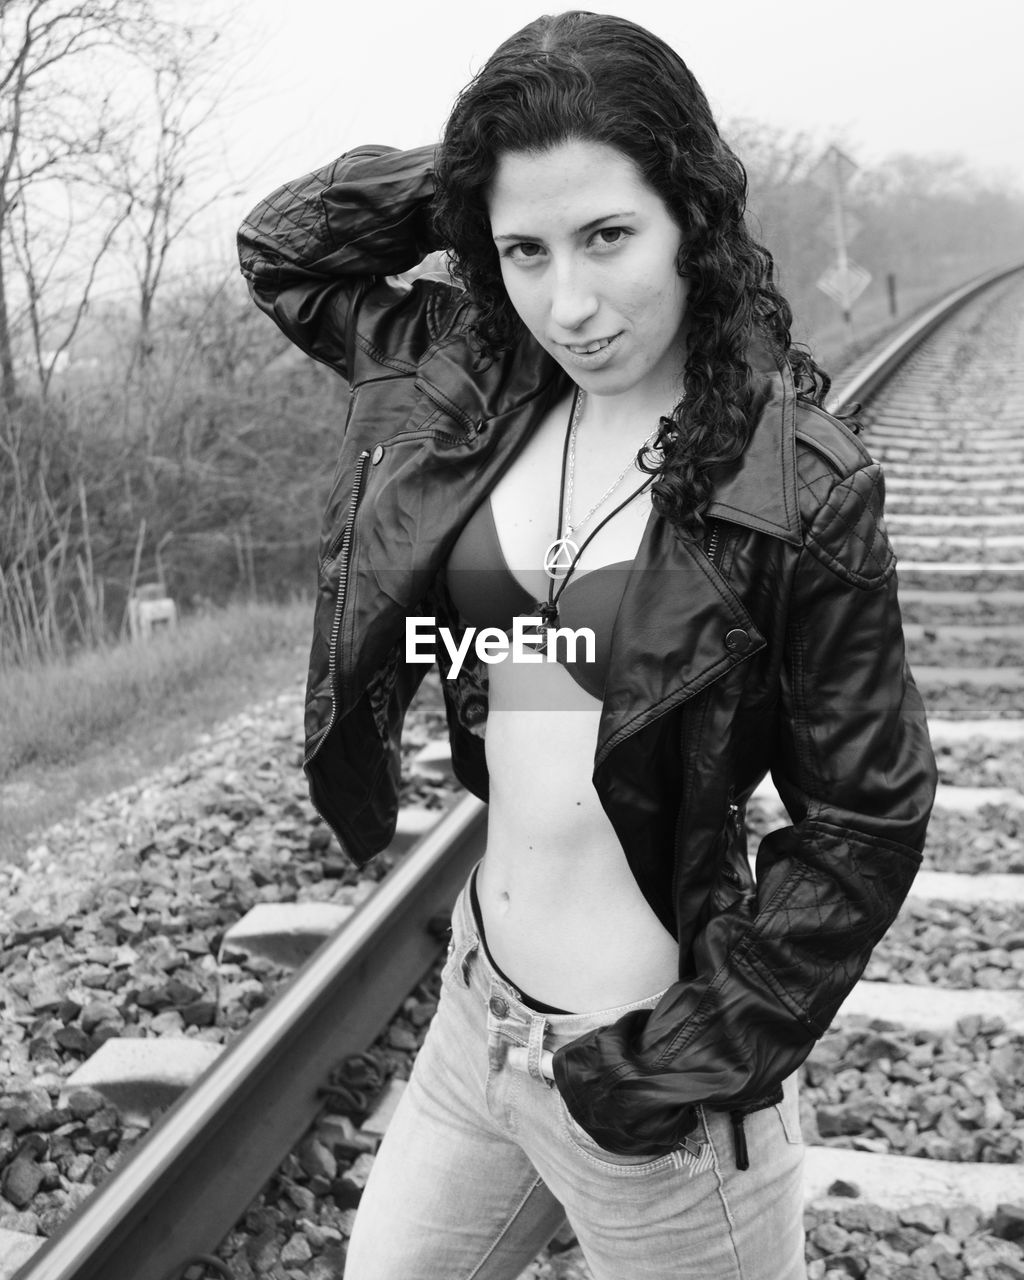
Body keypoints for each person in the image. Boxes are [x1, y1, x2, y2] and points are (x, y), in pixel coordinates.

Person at [238, 11, 937, 1279]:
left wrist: (674, 1060)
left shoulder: (796, 483)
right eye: (523, 248)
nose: (570, 301)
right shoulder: (475, 375)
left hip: (657, 1093)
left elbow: (867, 822)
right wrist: (482, 159)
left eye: (608, 234)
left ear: (693, 218)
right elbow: (286, 252)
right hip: (474, 1018)